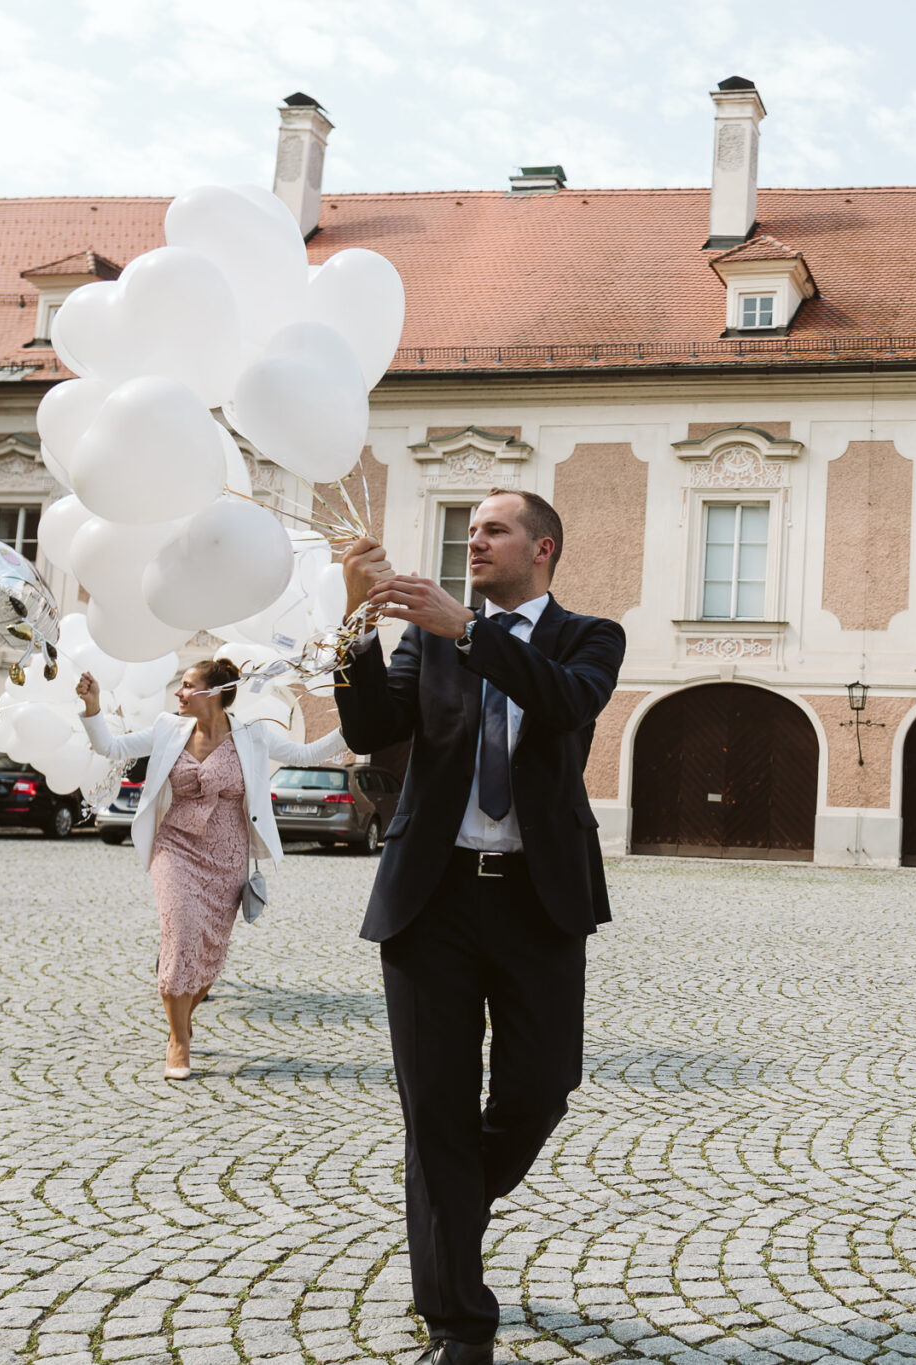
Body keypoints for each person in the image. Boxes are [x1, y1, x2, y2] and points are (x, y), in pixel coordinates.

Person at [335, 488, 624, 1365]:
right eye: (470, 531)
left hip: (539, 901)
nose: (475, 540)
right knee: (436, 1110)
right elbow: (371, 725)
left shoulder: (589, 638)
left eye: (494, 529)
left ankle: (450, 1201)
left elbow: (566, 705)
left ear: (543, 548)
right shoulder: (430, 639)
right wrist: (354, 622)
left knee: (542, 1090)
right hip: (434, 898)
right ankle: (460, 1321)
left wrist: (466, 629)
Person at [77, 658, 348, 1080]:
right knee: (180, 932)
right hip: (175, 847)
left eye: (187, 686)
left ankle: (183, 1019)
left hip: (226, 855)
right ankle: (178, 1041)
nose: (178, 694)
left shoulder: (253, 735)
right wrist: (93, 707)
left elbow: (307, 753)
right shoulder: (169, 729)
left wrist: (360, 721)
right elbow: (111, 748)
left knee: (208, 951)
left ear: (214, 693)